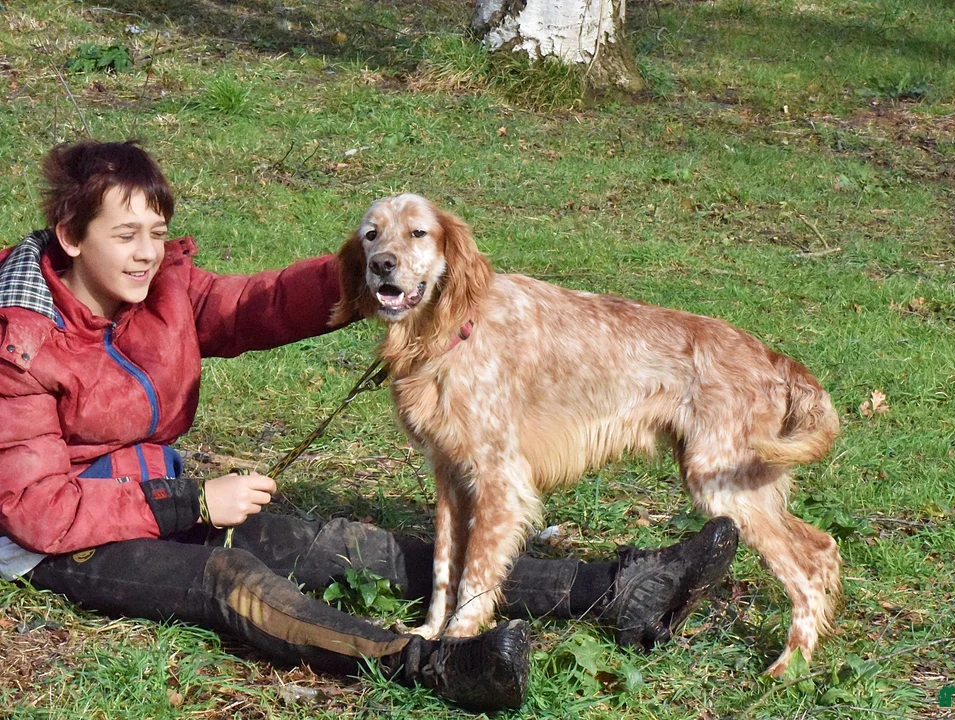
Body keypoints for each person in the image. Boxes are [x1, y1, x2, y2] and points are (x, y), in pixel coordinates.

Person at [0, 140, 739, 712]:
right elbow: (38, 510)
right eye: (125, 235)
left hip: (152, 499)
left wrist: (376, 265)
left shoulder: (158, 289)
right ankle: (430, 663)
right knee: (231, 581)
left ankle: (619, 590)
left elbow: (244, 307)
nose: (146, 253)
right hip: (59, 543)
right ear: (70, 233)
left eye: (156, 233)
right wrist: (191, 505)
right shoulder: (17, 340)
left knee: (343, 545)